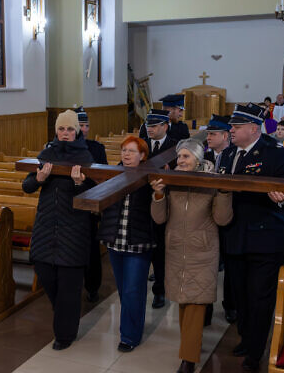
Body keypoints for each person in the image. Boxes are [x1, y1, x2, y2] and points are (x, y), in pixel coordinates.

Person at [218, 103, 284, 371]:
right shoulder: (228, 153)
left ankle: (255, 351)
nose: (231, 130)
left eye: (237, 126)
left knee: (260, 297)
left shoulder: (276, 154)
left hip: (265, 238)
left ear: (254, 129)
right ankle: (246, 338)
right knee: (240, 295)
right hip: (234, 235)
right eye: (232, 126)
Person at [151, 138, 233, 373]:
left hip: (202, 252)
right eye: (179, 156)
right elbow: (159, 218)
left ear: (198, 159)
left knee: (195, 305)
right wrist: (158, 195)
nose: (181, 160)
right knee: (184, 302)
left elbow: (222, 219)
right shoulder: (172, 181)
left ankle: (188, 359)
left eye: (186, 156)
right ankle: (189, 348)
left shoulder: (211, 180)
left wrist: (223, 192)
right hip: (177, 250)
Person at [22, 110, 94, 351]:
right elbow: (27, 186)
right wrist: (39, 179)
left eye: (70, 129)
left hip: (73, 229)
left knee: (69, 287)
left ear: (77, 132)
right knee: (46, 275)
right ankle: (63, 313)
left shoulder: (85, 156)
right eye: (61, 129)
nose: (65, 133)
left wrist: (78, 184)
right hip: (46, 226)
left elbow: (91, 196)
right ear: (56, 131)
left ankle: (65, 334)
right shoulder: (47, 153)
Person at [97, 136, 156, 353]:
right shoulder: (113, 175)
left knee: (133, 290)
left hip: (138, 244)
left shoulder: (149, 178)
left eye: (131, 151)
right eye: (124, 150)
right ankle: (133, 323)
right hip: (115, 241)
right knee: (124, 290)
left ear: (142, 156)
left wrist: (158, 191)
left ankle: (129, 336)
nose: (126, 155)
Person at [140, 109, 177, 308]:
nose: (150, 129)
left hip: (165, 204)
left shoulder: (175, 147)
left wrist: (172, 175)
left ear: (165, 126)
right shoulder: (142, 145)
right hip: (142, 204)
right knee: (146, 247)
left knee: (161, 249)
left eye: (154, 126)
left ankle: (160, 291)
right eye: (148, 125)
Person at [204, 114, 237, 324]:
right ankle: (205, 310)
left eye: (213, 134)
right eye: (208, 134)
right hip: (206, 216)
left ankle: (230, 305)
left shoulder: (234, 155)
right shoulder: (203, 156)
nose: (208, 137)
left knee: (231, 265)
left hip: (228, 216)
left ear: (225, 136)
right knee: (206, 267)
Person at [74, 106, 107, 303]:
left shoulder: (96, 148)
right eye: (81, 125)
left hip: (89, 204)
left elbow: (102, 178)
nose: (84, 129)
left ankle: (93, 286)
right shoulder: (64, 149)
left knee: (91, 249)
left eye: (86, 125)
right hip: (71, 205)